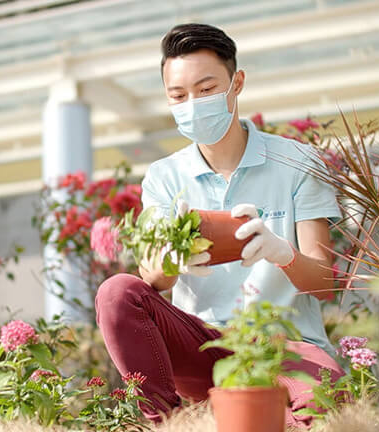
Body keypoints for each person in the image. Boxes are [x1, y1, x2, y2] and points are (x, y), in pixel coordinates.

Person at [95, 23, 344, 427]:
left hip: (285, 344)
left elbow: (326, 282)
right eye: (178, 96)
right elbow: (151, 278)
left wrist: (282, 253)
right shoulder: (165, 177)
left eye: (206, 89)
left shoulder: (298, 163)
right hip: (203, 345)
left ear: (237, 83)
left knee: (321, 406)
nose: (192, 104)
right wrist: (171, 261)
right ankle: (164, 420)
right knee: (117, 291)